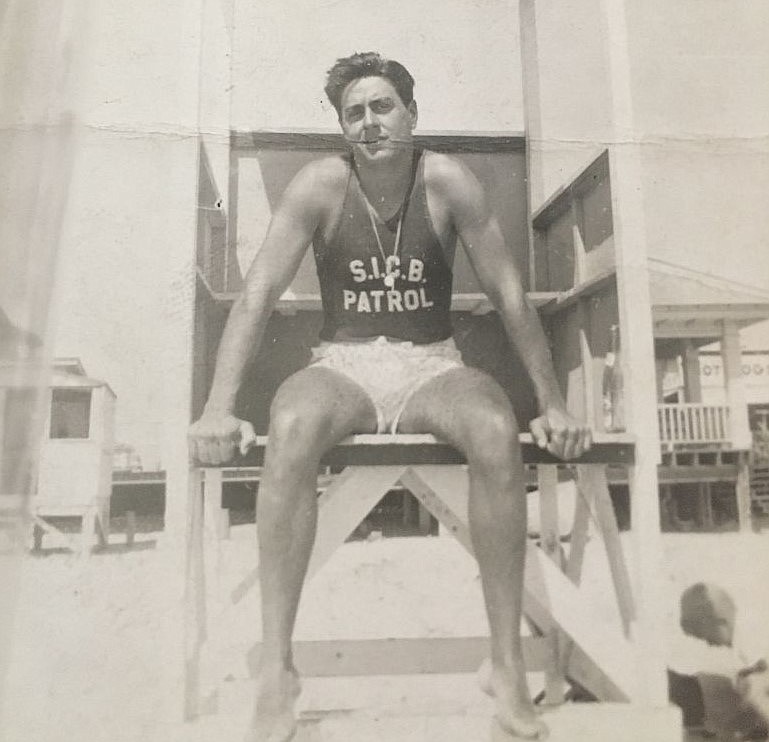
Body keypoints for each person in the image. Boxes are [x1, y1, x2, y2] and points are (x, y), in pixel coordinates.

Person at [188, 51, 591, 742]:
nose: (369, 123)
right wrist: (218, 406)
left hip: (430, 364)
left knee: (495, 429)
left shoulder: (447, 181)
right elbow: (256, 294)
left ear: (411, 112)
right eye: (354, 114)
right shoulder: (320, 185)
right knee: (289, 424)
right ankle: (277, 672)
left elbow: (507, 293)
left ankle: (503, 664)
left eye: (382, 107)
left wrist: (551, 402)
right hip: (343, 363)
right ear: (340, 127)